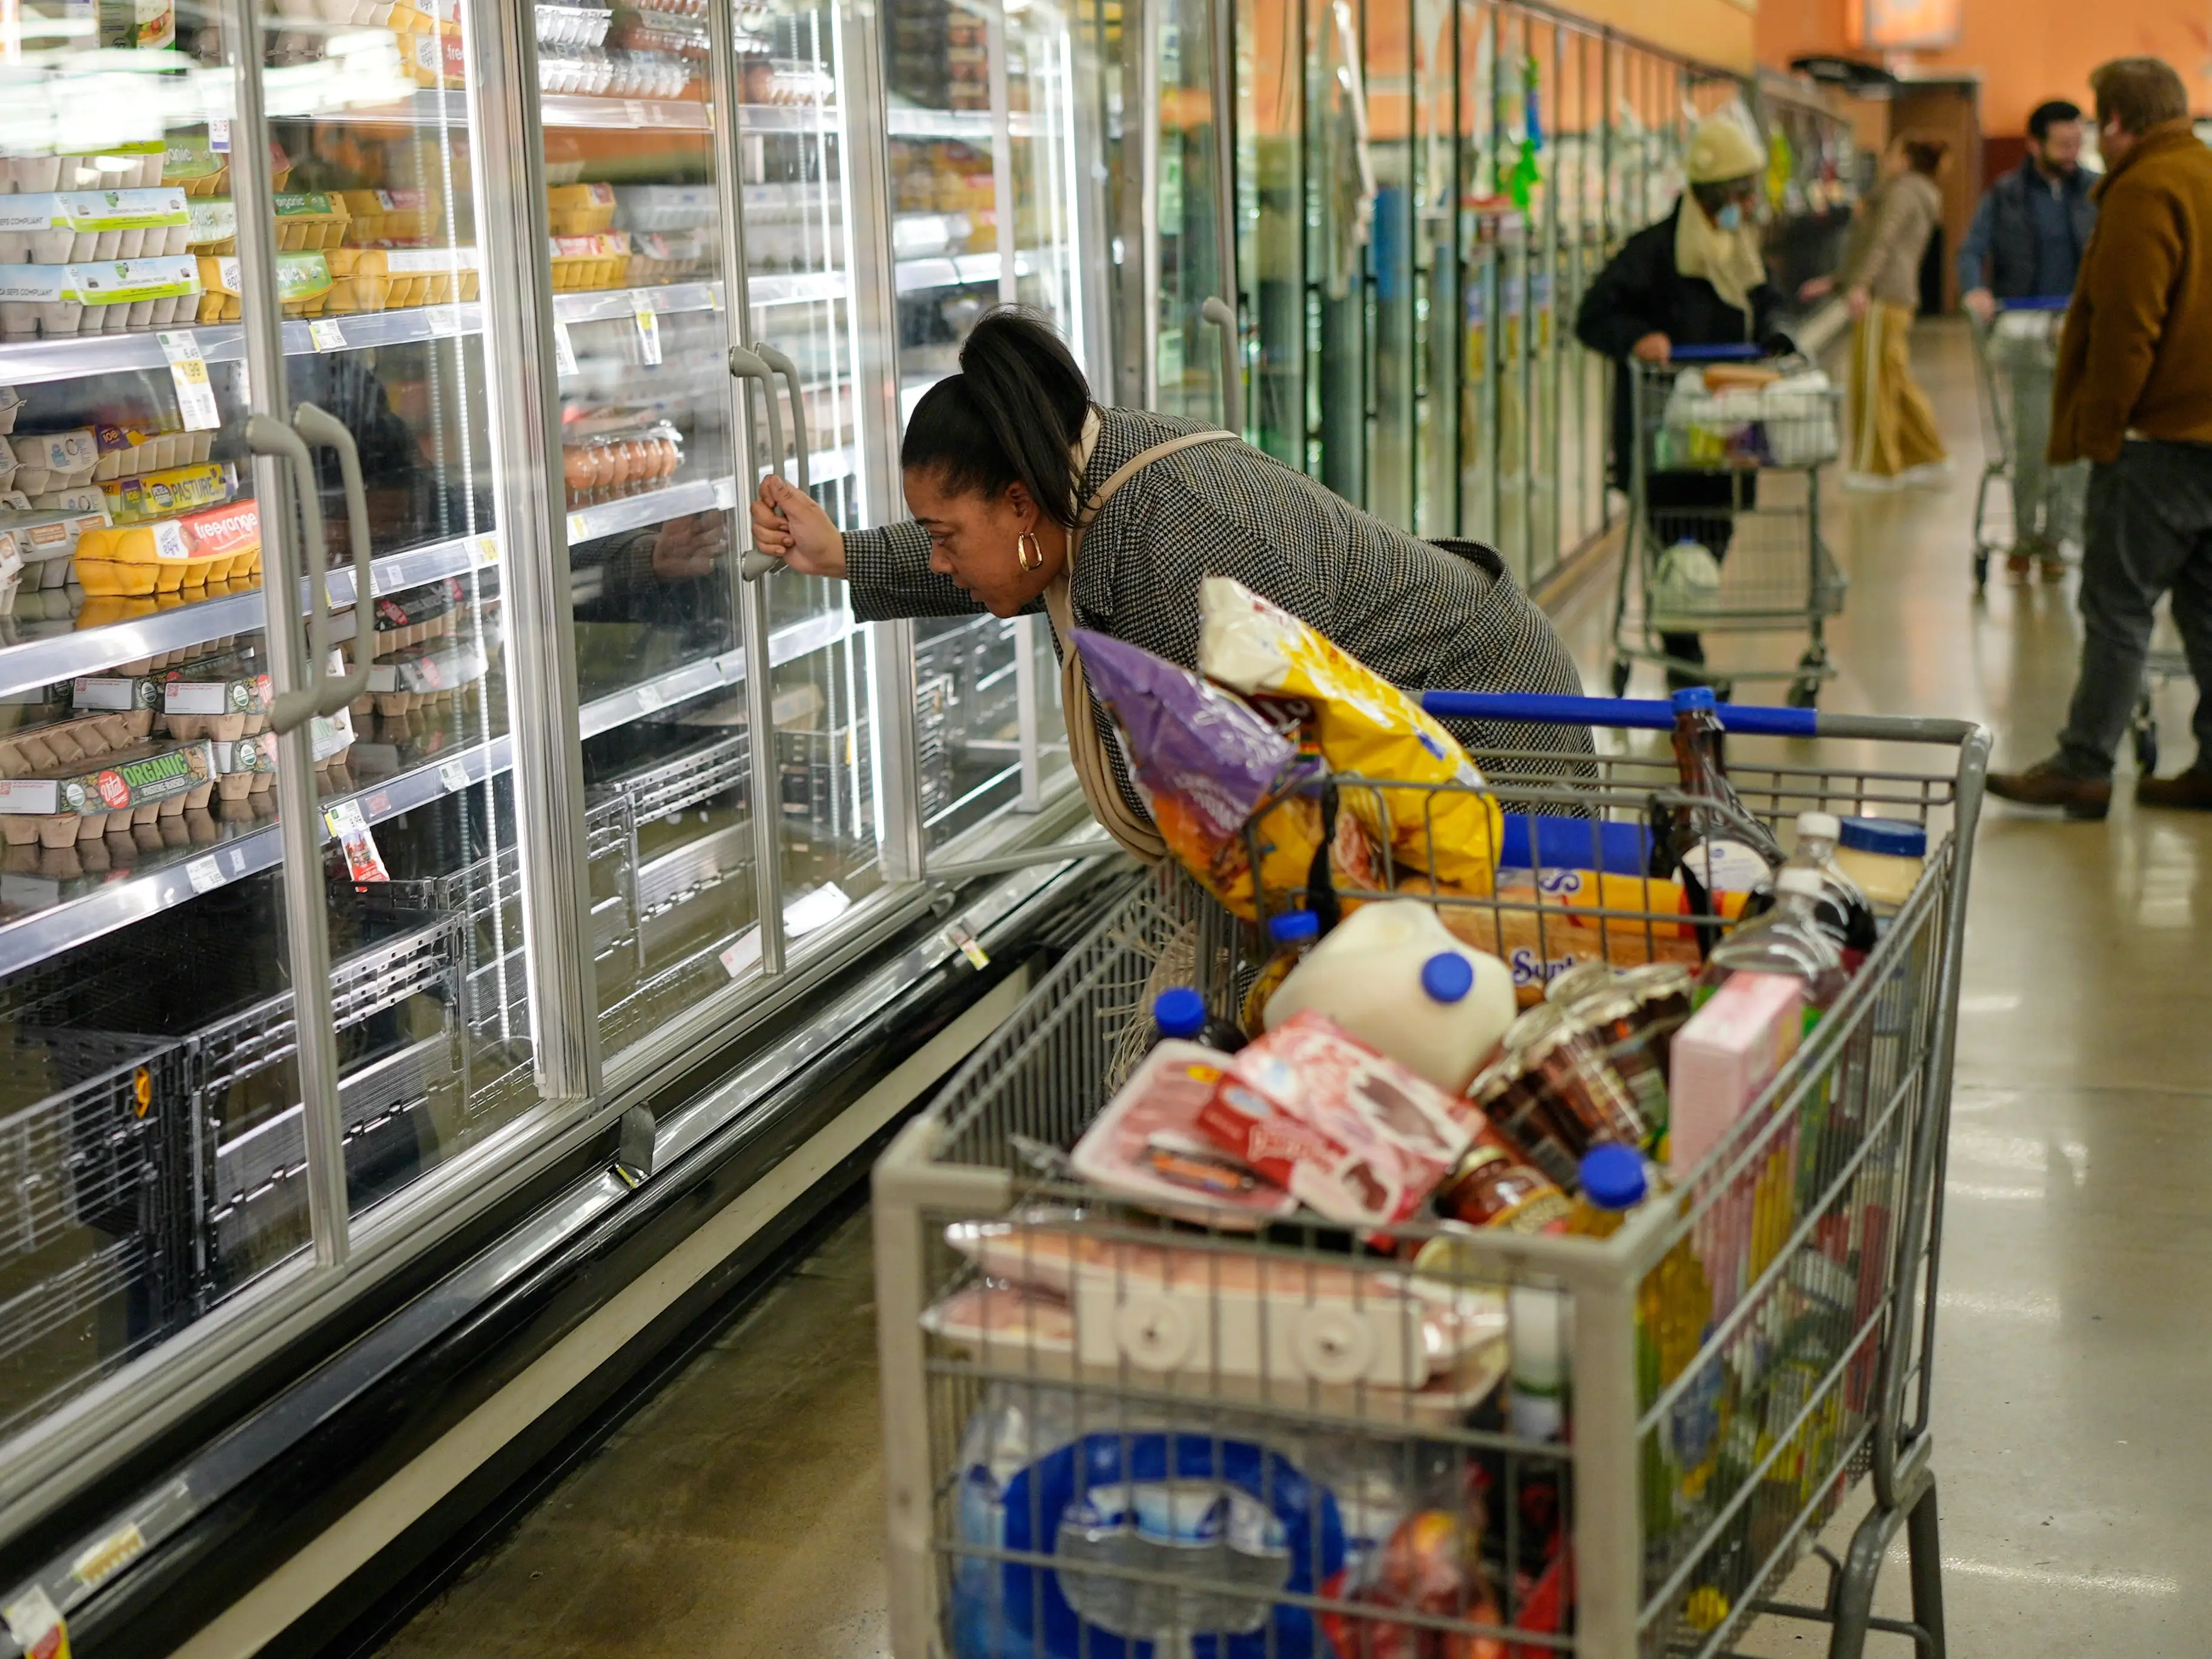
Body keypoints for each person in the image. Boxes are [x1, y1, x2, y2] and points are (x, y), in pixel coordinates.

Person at [748, 308, 1592, 855]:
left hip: (1489, 731)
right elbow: (999, 564)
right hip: (1405, 749)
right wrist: (844, 553)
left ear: (1017, 501)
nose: (938, 559)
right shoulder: (1072, 489)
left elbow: (1273, 821)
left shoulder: (1185, 550)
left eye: (943, 536)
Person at [1988, 58, 2212, 818]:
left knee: (2117, 606)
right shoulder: (2205, 174)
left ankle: (2084, 765)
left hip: (2156, 439)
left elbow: (2126, 330)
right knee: (2205, 606)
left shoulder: (2145, 190)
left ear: (2117, 122)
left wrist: (2102, 431)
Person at [1575, 116, 1783, 689]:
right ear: (1715, 194)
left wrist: (1778, 340)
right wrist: (1638, 338)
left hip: (1729, 436)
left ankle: (1685, 647)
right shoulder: (1652, 253)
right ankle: (1685, 665)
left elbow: (1768, 305)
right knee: (1675, 547)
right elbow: (1592, 316)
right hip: (1663, 434)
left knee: (1711, 538)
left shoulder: (1742, 250)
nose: (1750, 205)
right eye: (1742, 194)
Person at [1959, 99, 2098, 578]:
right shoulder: (2007, 195)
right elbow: (1972, 249)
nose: (2071, 152)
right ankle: (2025, 533)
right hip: (2022, 332)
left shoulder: (2096, 192)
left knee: (2076, 448)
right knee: (2034, 441)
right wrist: (1975, 288)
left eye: (2078, 143)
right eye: (2062, 143)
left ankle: (2058, 537)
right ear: (2034, 143)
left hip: (2079, 334)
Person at [1806, 135, 1949, 490]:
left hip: (1881, 296)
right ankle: (1925, 452)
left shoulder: (1900, 193)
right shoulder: (1921, 192)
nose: (1885, 158)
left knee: (1871, 382)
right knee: (1894, 377)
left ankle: (1877, 465)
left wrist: (1860, 286)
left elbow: (1882, 242)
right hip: (1897, 296)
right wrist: (1840, 281)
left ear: (1905, 158)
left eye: (1891, 152)